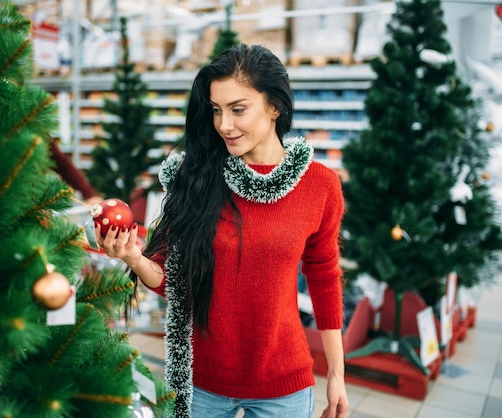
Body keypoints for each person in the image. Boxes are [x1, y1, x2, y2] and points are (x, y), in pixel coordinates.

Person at [95, 44, 349, 418]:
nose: (224, 125)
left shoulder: (320, 186)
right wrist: (134, 256)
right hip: (202, 385)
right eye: (216, 110)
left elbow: (325, 277)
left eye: (238, 109)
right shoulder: (199, 179)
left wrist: (337, 375)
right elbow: (174, 279)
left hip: (284, 384)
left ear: (275, 107)